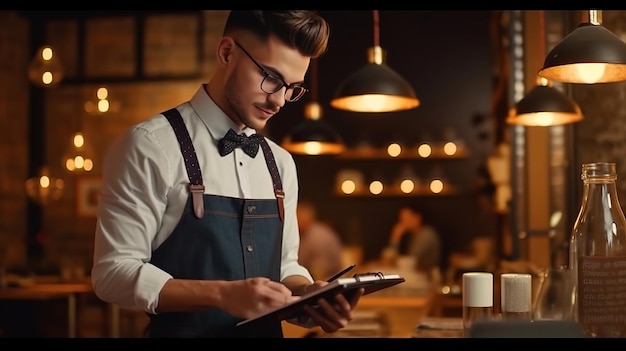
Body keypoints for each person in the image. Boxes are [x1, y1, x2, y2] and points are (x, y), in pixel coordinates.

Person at [91, 11, 363, 338]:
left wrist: (307, 297)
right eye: (271, 77)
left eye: (292, 88)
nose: (278, 100)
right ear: (226, 53)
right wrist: (223, 294)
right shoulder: (151, 146)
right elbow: (113, 273)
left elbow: (285, 267)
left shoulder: (281, 163)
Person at [386, 206, 442, 276]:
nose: (402, 222)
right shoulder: (414, 235)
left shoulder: (426, 235)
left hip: (426, 277)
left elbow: (410, 261)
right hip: (419, 275)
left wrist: (395, 238)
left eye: (406, 219)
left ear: (417, 218)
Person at [296, 201, 344, 281]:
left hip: (328, 280)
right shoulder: (303, 233)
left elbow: (319, 269)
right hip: (312, 278)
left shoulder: (319, 236)